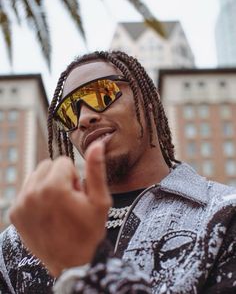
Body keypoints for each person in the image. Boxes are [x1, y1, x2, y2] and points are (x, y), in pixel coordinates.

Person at [0, 51, 236, 294]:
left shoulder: (224, 216)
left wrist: (85, 266)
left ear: (149, 103)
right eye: (69, 112)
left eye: (101, 94)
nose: (83, 118)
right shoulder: (22, 240)